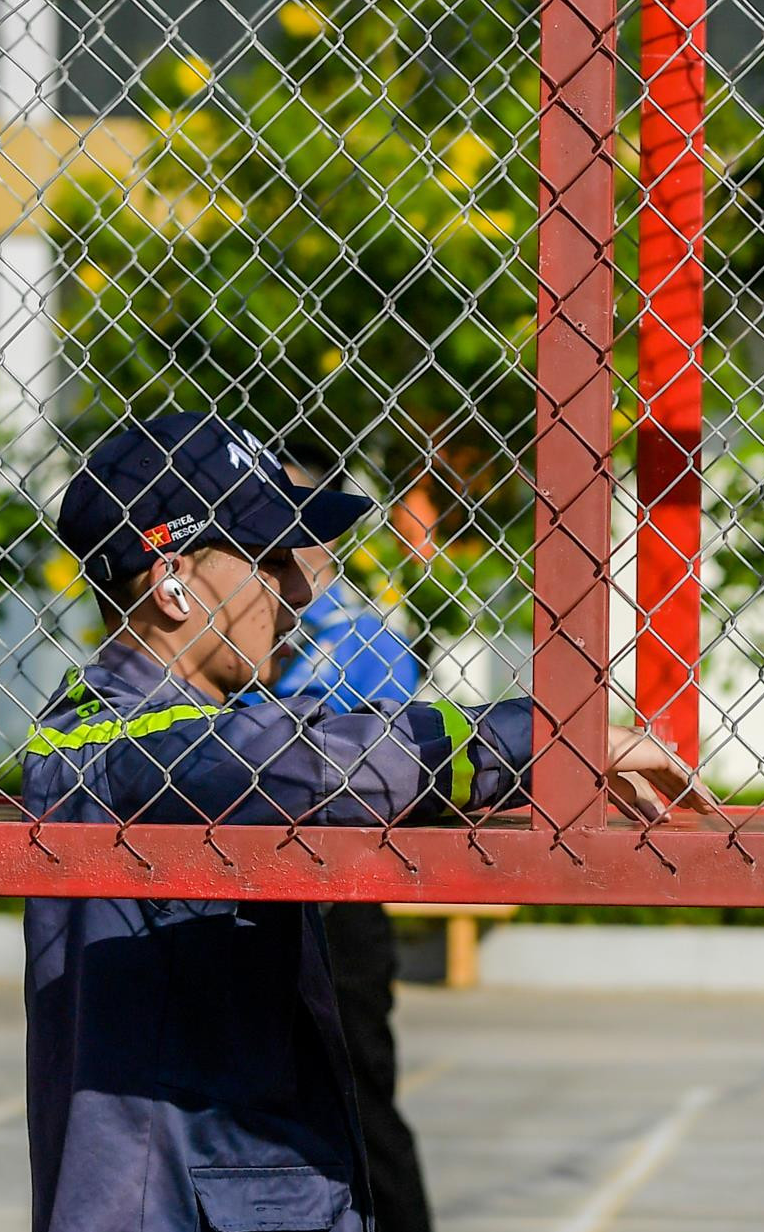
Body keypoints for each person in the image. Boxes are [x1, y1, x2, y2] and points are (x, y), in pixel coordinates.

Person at [23, 412, 710, 1232]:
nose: (300, 591)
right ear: (173, 584)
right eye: (271, 560)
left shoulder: (204, 727)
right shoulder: (110, 740)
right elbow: (321, 763)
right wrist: (550, 736)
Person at [269, 456, 432, 1232]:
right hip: (263, 881)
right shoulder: (251, 635)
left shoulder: (365, 638)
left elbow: (385, 758)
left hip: (342, 887)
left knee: (359, 1093)